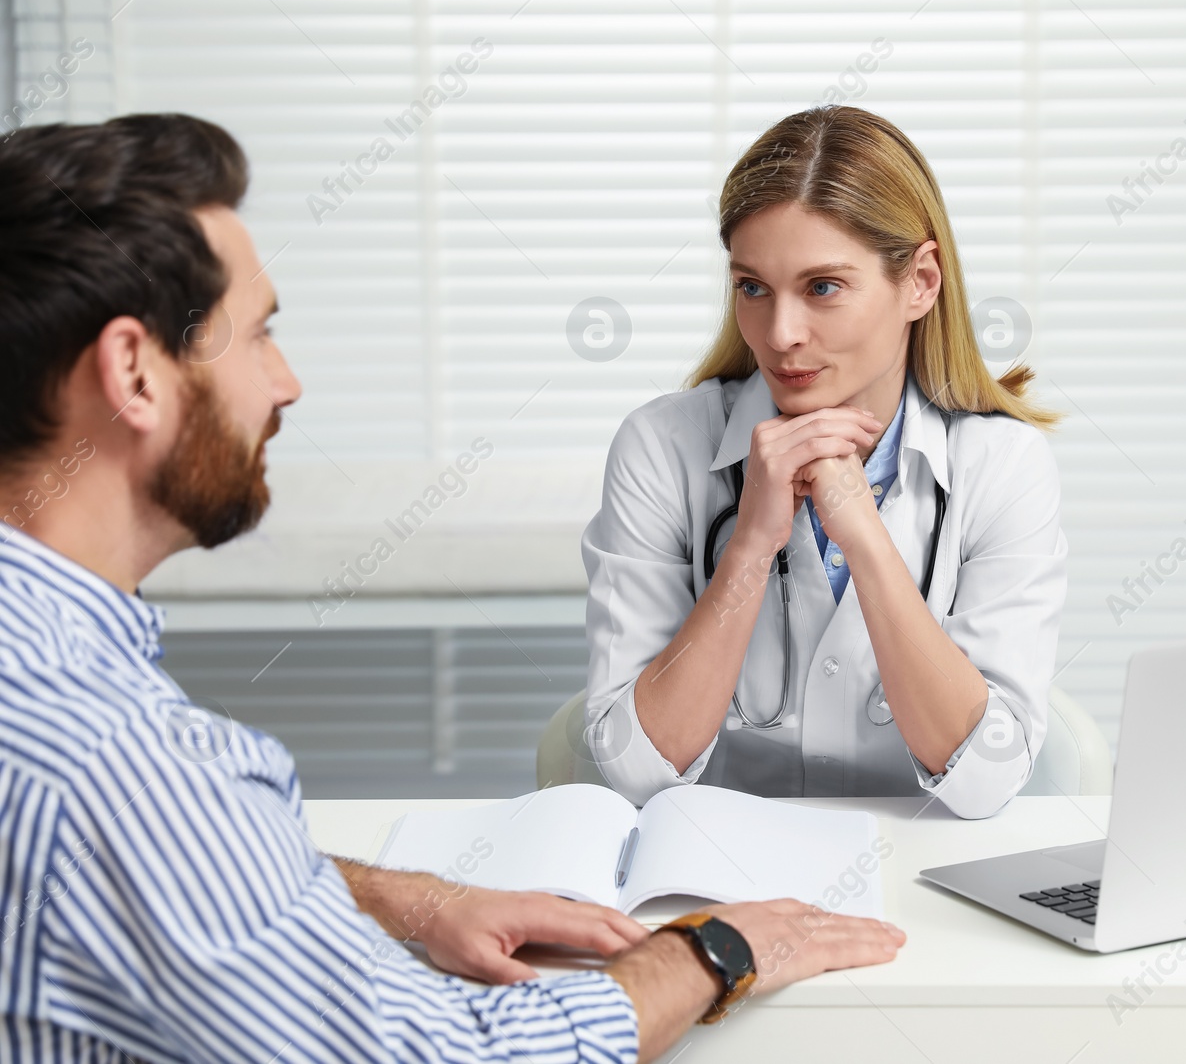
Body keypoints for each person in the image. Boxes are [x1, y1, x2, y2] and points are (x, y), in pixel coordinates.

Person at [0, 113, 904, 1063]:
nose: (287, 383)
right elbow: (454, 1056)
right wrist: (710, 948)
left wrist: (407, 897)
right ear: (133, 373)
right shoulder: (110, 758)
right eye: (258, 334)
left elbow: (159, 868)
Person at [581, 106, 1070, 820]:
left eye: (822, 288)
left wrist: (864, 538)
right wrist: (749, 545)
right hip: (719, 881)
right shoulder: (661, 449)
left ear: (921, 282)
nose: (779, 335)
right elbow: (635, 766)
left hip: (916, 884)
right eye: (753, 287)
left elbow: (983, 776)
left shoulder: (1003, 465)